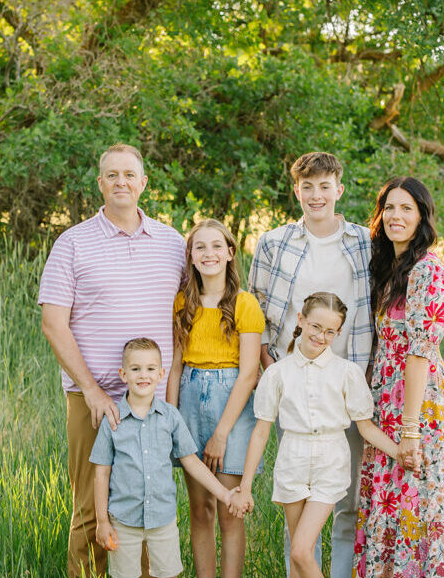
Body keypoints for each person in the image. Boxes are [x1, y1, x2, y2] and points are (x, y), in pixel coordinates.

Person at [39, 143, 186, 578]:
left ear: (143, 183)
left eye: (129, 175)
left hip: (153, 403)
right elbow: (53, 323)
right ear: (100, 184)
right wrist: (91, 390)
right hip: (94, 400)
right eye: (111, 175)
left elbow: (186, 317)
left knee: (145, 505)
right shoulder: (73, 243)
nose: (121, 182)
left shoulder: (173, 243)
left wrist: (171, 394)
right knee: (92, 506)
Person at [249, 151, 373, 576]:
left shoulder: (364, 243)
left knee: (348, 502)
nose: (316, 195)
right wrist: (271, 366)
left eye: (325, 186)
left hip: (347, 384)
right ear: (296, 190)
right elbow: (258, 312)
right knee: (298, 506)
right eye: (307, 186)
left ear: (339, 189)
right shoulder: (273, 243)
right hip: (294, 387)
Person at [352, 177, 444, 578]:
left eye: (407, 208)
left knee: (416, 504)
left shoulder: (427, 269)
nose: (396, 216)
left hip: (419, 404)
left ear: (422, 216)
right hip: (386, 400)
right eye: (390, 207)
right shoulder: (391, 269)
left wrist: (409, 429)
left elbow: (419, 352)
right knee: (391, 504)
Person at [230, 292, 400, 578]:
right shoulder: (277, 374)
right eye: (316, 327)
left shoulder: (346, 373)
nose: (321, 336)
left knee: (300, 550)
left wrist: (399, 452)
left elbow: (365, 426)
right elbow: (261, 432)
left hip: (330, 461)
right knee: (299, 558)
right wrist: (245, 486)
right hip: (292, 461)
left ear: (338, 332)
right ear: (301, 320)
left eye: (330, 331)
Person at [166, 219, 264, 578]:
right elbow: (175, 368)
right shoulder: (182, 303)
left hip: (231, 405)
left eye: (216, 246)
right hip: (190, 402)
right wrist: (171, 420)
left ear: (230, 253)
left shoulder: (244, 304)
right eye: (200, 247)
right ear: (190, 257)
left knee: (229, 508)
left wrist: (222, 432)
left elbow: (250, 372)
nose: (209, 253)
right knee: (201, 508)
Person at [91, 337, 235, 578]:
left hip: (162, 519)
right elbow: (101, 472)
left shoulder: (170, 417)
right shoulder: (113, 420)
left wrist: (224, 494)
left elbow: (191, 461)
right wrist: (102, 521)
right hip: (123, 520)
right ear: (123, 374)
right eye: (135, 369)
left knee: (166, 574)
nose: (143, 375)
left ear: (161, 374)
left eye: (150, 369)